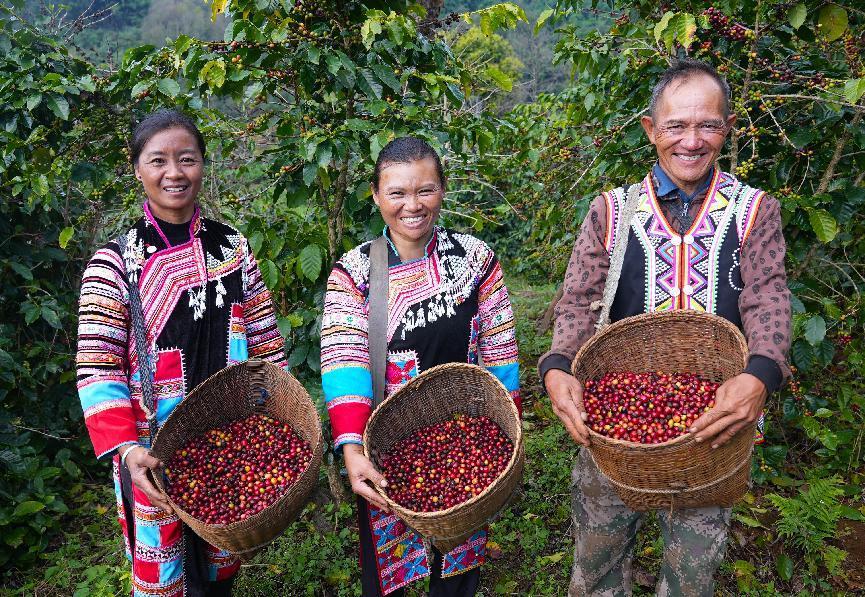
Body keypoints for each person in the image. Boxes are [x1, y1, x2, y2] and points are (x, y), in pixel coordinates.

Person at [538, 59, 792, 596]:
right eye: (676, 126)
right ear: (651, 130)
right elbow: (579, 300)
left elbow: (768, 296)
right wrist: (559, 368)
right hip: (614, 431)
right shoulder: (611, 211)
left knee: (692, 574)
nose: (692, 141)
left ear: (727, 128)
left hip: (714, 432)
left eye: (708, 125)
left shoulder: (753, 212)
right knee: (597, 559)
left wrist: (760, 376)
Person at [76, 109, 286, 596]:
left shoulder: (231, 246)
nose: (174, 173)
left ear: (202, 165)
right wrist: (128, 450)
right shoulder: (116, 262)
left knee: (219, 566)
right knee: (162, 576)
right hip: (150, 449)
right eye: (158, 161)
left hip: (229, 436)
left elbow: (265, 340)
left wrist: (272, 415)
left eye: (187, 159)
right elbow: (96, 367)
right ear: (137, 170)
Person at [320, 136, 521, 596]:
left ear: (443, 190)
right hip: (386, 448)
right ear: (375, 196)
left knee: (457, 568)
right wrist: (352, 449)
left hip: (467, 439)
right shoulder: (354, 274)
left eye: (425, 190)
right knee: (387, 572)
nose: (413, 205)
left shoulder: (474, 260)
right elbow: (342, 359)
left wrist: (507, 425)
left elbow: (500, 346)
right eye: (397, 193)